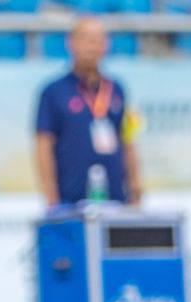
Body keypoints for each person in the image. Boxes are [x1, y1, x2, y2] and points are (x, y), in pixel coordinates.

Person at [34, 16, 142, 209]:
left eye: (98, 40)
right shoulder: (53, 92)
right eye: (86, 39)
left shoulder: (117, 89)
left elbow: (128, 140)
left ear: (106, 45)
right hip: (70, 201)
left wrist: (135, 185)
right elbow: (43, 145)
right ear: (71, 43)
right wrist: (51, 197)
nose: (92, 46)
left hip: (115, 199)